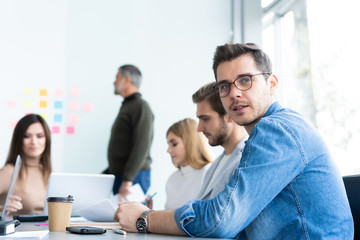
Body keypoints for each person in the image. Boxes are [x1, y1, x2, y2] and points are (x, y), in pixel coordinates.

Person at [115, 43, 354, 239]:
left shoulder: (278, 130)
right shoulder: (265, 134)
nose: (234, 93)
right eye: (224, 86)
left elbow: (222, 220)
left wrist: (144, 218)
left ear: (271, 85)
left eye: (245, 80)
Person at [104, 64, 154, 200]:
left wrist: (128, 180)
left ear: (126, 80)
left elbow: (141, 145)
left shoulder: (141, 106)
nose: (114, 82)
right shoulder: (128, 106)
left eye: (117, 77)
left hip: (133, 176)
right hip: (123, 175)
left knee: (129, 219)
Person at [192, 82, 248, 200]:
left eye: (205, 119)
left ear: (230, 115)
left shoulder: (246, 162)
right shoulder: (215, 165)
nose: (199, 128)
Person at [0, 114, 52, 215]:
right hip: (21, 230)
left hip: (48, 230)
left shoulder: (51, 173)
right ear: (19, 140)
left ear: (47, 139)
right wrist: (1, 209)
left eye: (40, 136)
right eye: (27, 136)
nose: (34, 141)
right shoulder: (9, 172)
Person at [165, 118, 212, 209]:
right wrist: (149, 212)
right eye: (168, 144)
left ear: (190, 142)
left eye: (174, 144)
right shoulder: (172, 179)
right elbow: (167, 217)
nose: (168, 150)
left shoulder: (208, 173)